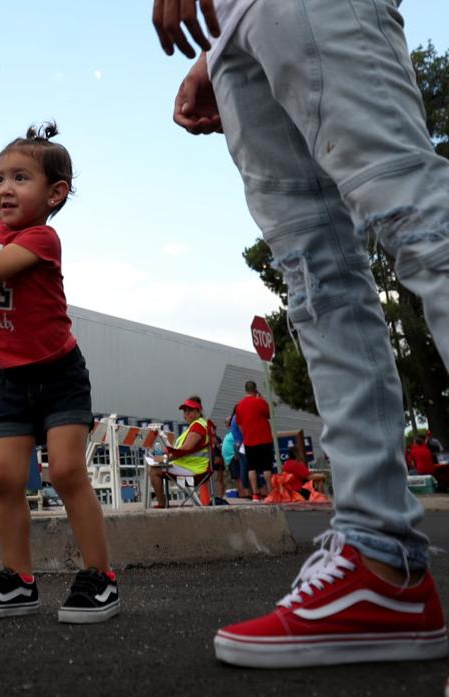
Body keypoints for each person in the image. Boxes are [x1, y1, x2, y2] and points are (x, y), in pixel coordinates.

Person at [156, 0, 449, 667]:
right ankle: (380, 562)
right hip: (235, 28)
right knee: (315, 280)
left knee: (418, 219)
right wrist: (219, 44)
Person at [0, 101, 118, 622]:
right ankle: (19, 581)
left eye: (20, 177)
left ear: (54, 193)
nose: (5, 188)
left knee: (65, 471)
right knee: (5, 479)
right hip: (13, 380)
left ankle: (100, 577)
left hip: (59, 375)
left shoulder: (41, 238)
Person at [150, 397, 222, 507]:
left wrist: (164, 459)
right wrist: (162, 455)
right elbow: (182, 448)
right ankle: (164, 503)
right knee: (155, 463)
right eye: (185, 411)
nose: (186, 414)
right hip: (194, 469)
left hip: (194, 472)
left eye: (190, 410)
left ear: (198, 411)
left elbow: (185, 449)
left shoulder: (198, 426)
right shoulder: (199, 425)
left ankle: (162, 504)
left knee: (154, 470)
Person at [233, 382, 273, 501]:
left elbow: (239, 424)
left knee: (252, 467)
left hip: (249, 440)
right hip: (264, 438)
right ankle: (271, 493)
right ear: (255, 390)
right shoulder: (260, 401)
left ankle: (255, 494)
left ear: (245, 390)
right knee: (267, 467)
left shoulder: (239, 405)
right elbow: (268, 414)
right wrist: (261, 398)